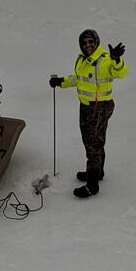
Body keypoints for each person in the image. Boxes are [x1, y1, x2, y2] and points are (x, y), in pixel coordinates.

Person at [49, 29, 129, 198]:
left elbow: (121, 73)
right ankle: (97, 172)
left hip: (99, 107)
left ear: (96, 42)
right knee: (92, 141)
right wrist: (60, 82)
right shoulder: (83, 60)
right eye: (84, 43)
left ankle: (92, 185)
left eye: (90, 42)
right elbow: (79, 79)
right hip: (86, 107)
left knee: (93, 144)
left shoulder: (105, 59)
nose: (87, 46)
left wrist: (116, 60)